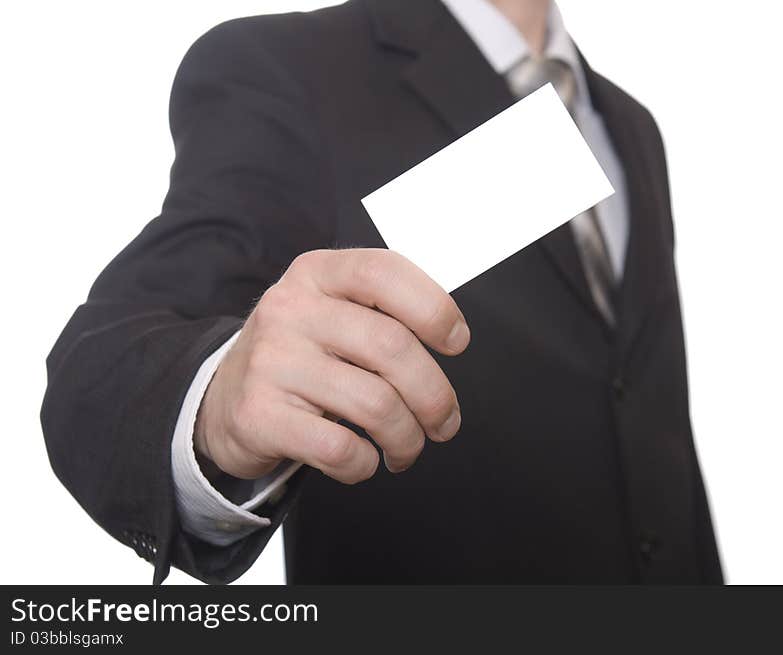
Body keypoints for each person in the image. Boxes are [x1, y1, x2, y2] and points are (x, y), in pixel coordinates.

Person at [41, 0, 723, 584]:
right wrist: (216, 406)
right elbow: (105, 366)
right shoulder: (290, 69)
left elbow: (645, 407)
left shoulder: (633, 128)